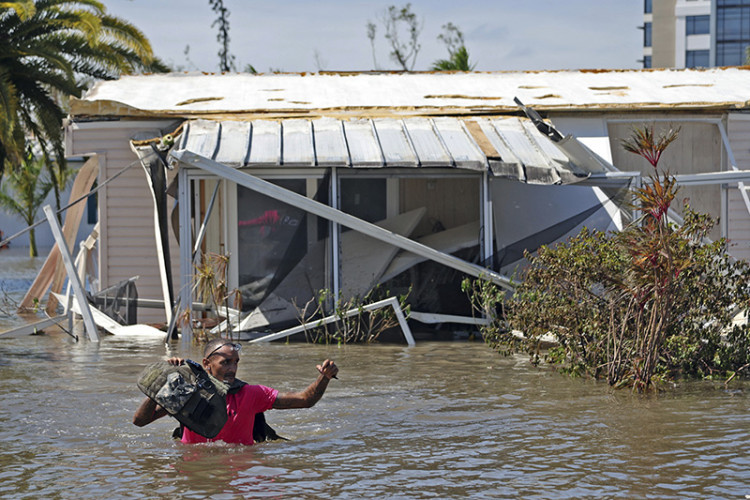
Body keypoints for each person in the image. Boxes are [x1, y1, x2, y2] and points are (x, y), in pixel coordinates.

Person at [133, 338, 338, 445]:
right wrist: (163, 383)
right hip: (193, 469)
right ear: (207, 364)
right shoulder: (186, 393)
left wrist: (324, 378)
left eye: (236, 362)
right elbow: (140, 421)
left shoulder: (252, 394)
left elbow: (305, 400)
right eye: (226, 363)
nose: (232, 368)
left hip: (239, 465)